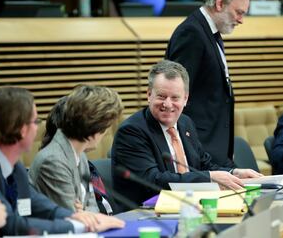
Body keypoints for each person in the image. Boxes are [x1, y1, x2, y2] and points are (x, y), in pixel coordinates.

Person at [0, 86, 124, 236]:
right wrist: (75, 225)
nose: (38, 128)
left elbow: (32, 201)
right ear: (22, 130)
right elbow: (10, 224)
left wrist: (71, 215)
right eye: (35, 121)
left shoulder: (12, 164)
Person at [111, 60, 262, 211]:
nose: (168, 104)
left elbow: (203, 164)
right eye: (161, 96)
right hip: (147, 214)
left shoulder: (185, 123)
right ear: (149, 95)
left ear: (186, 99)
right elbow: (153, 180)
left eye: (175, 98)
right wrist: (210, 177)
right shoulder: (132, 131)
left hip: (189, 208)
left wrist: (233, 173)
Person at [165, 0, 251, 168]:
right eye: (239, 12)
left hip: (214, 147)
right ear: (219, 3)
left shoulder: (211, 32)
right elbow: (175, 94)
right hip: (199, 148)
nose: (241, 20)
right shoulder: (192, 33)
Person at [29, 85, 124, 217]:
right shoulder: (53, 160)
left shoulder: (80, 154)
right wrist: (81, 213)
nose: (105, 133)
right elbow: (72, 217)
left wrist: (83, 212)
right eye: (105, 127)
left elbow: (90, 205)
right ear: (94, 129)